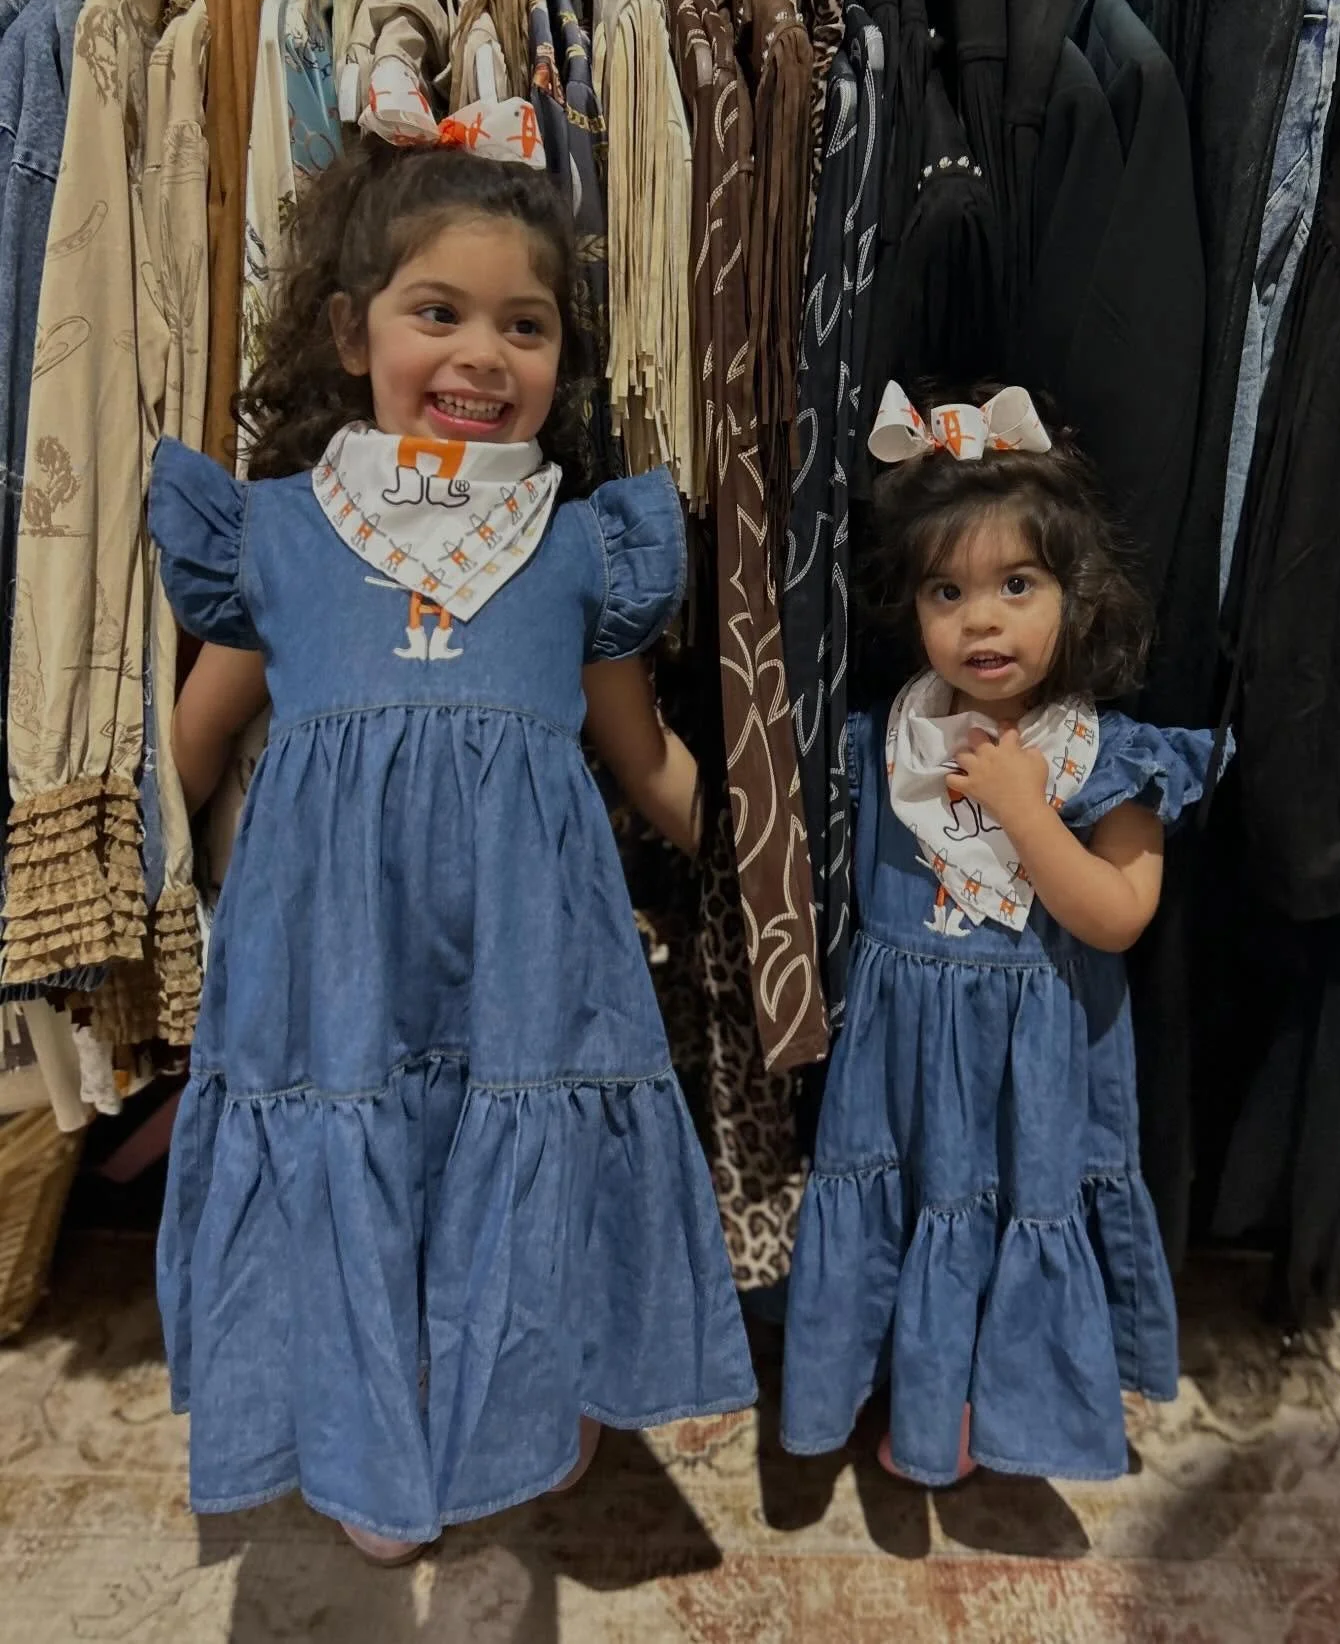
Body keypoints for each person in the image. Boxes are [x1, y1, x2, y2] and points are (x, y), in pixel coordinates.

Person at [151, 113, 755, 1563]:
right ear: (354, 336)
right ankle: (373, 1448)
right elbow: (199, 733)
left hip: (531, 968)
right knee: (362, 1174)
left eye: (525, 325)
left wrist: (764, 851)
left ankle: (523, 1407)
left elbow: (639, 750)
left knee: (515, 1168)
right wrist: (166, 886)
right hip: (334, 965)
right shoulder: (283, 534)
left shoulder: (573, 544)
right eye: (442, 313)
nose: (483, 356)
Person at [780, 381, 1220, 1488]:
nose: (981, 619)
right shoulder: (884, 740)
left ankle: (988, 1401)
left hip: (1031, 1075)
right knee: (913, 1216)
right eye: (948, 589)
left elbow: (1118, 914)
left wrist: (1026, 810)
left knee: (1004, 1221)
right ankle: (905, 1396)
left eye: (1016, 584)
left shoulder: (1109, 756)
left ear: (1076, 594)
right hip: (904, 1066)